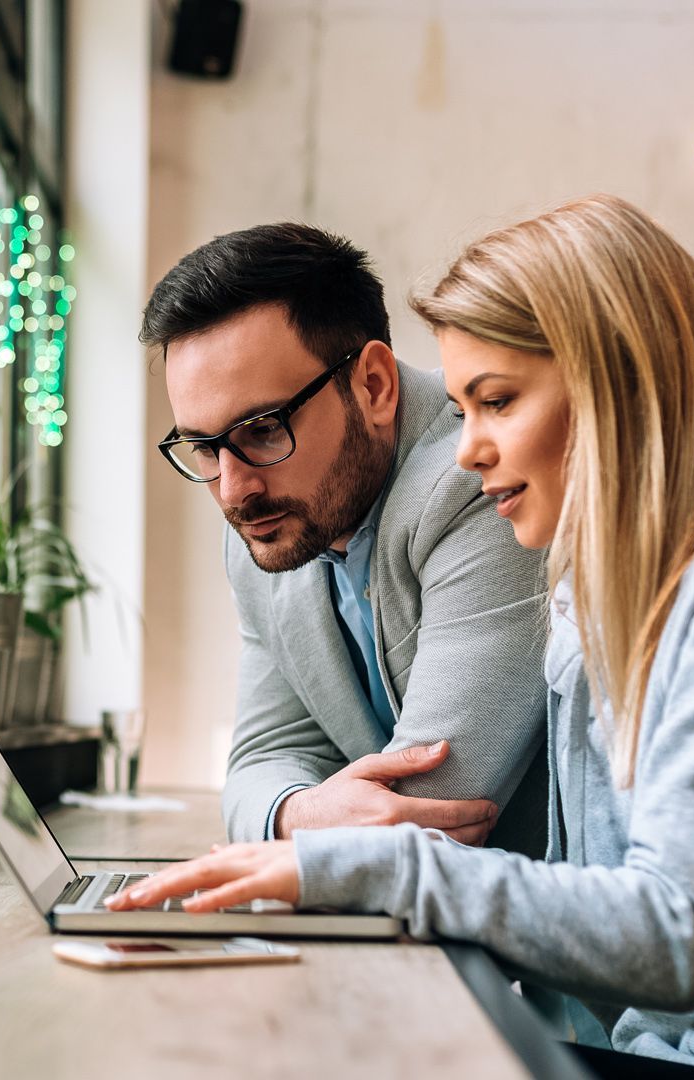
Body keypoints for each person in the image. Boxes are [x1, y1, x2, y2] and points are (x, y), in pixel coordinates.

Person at [115, 197, 694, 1078]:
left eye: (499, 401)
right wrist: (304, 844)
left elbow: (677, 931)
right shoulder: (616, 580)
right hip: (691, 1054)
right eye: (466, 408)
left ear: (617, 387)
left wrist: (348, 862)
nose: (469, 450)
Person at [142, 223, 550, 852]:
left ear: (374, 387)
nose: (232, 491)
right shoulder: (272, 526)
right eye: (203, 447)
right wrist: (296, 815)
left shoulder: (487, 481)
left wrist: (298, 823)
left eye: (263, 430)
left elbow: (433, 807)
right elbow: (262, 759)